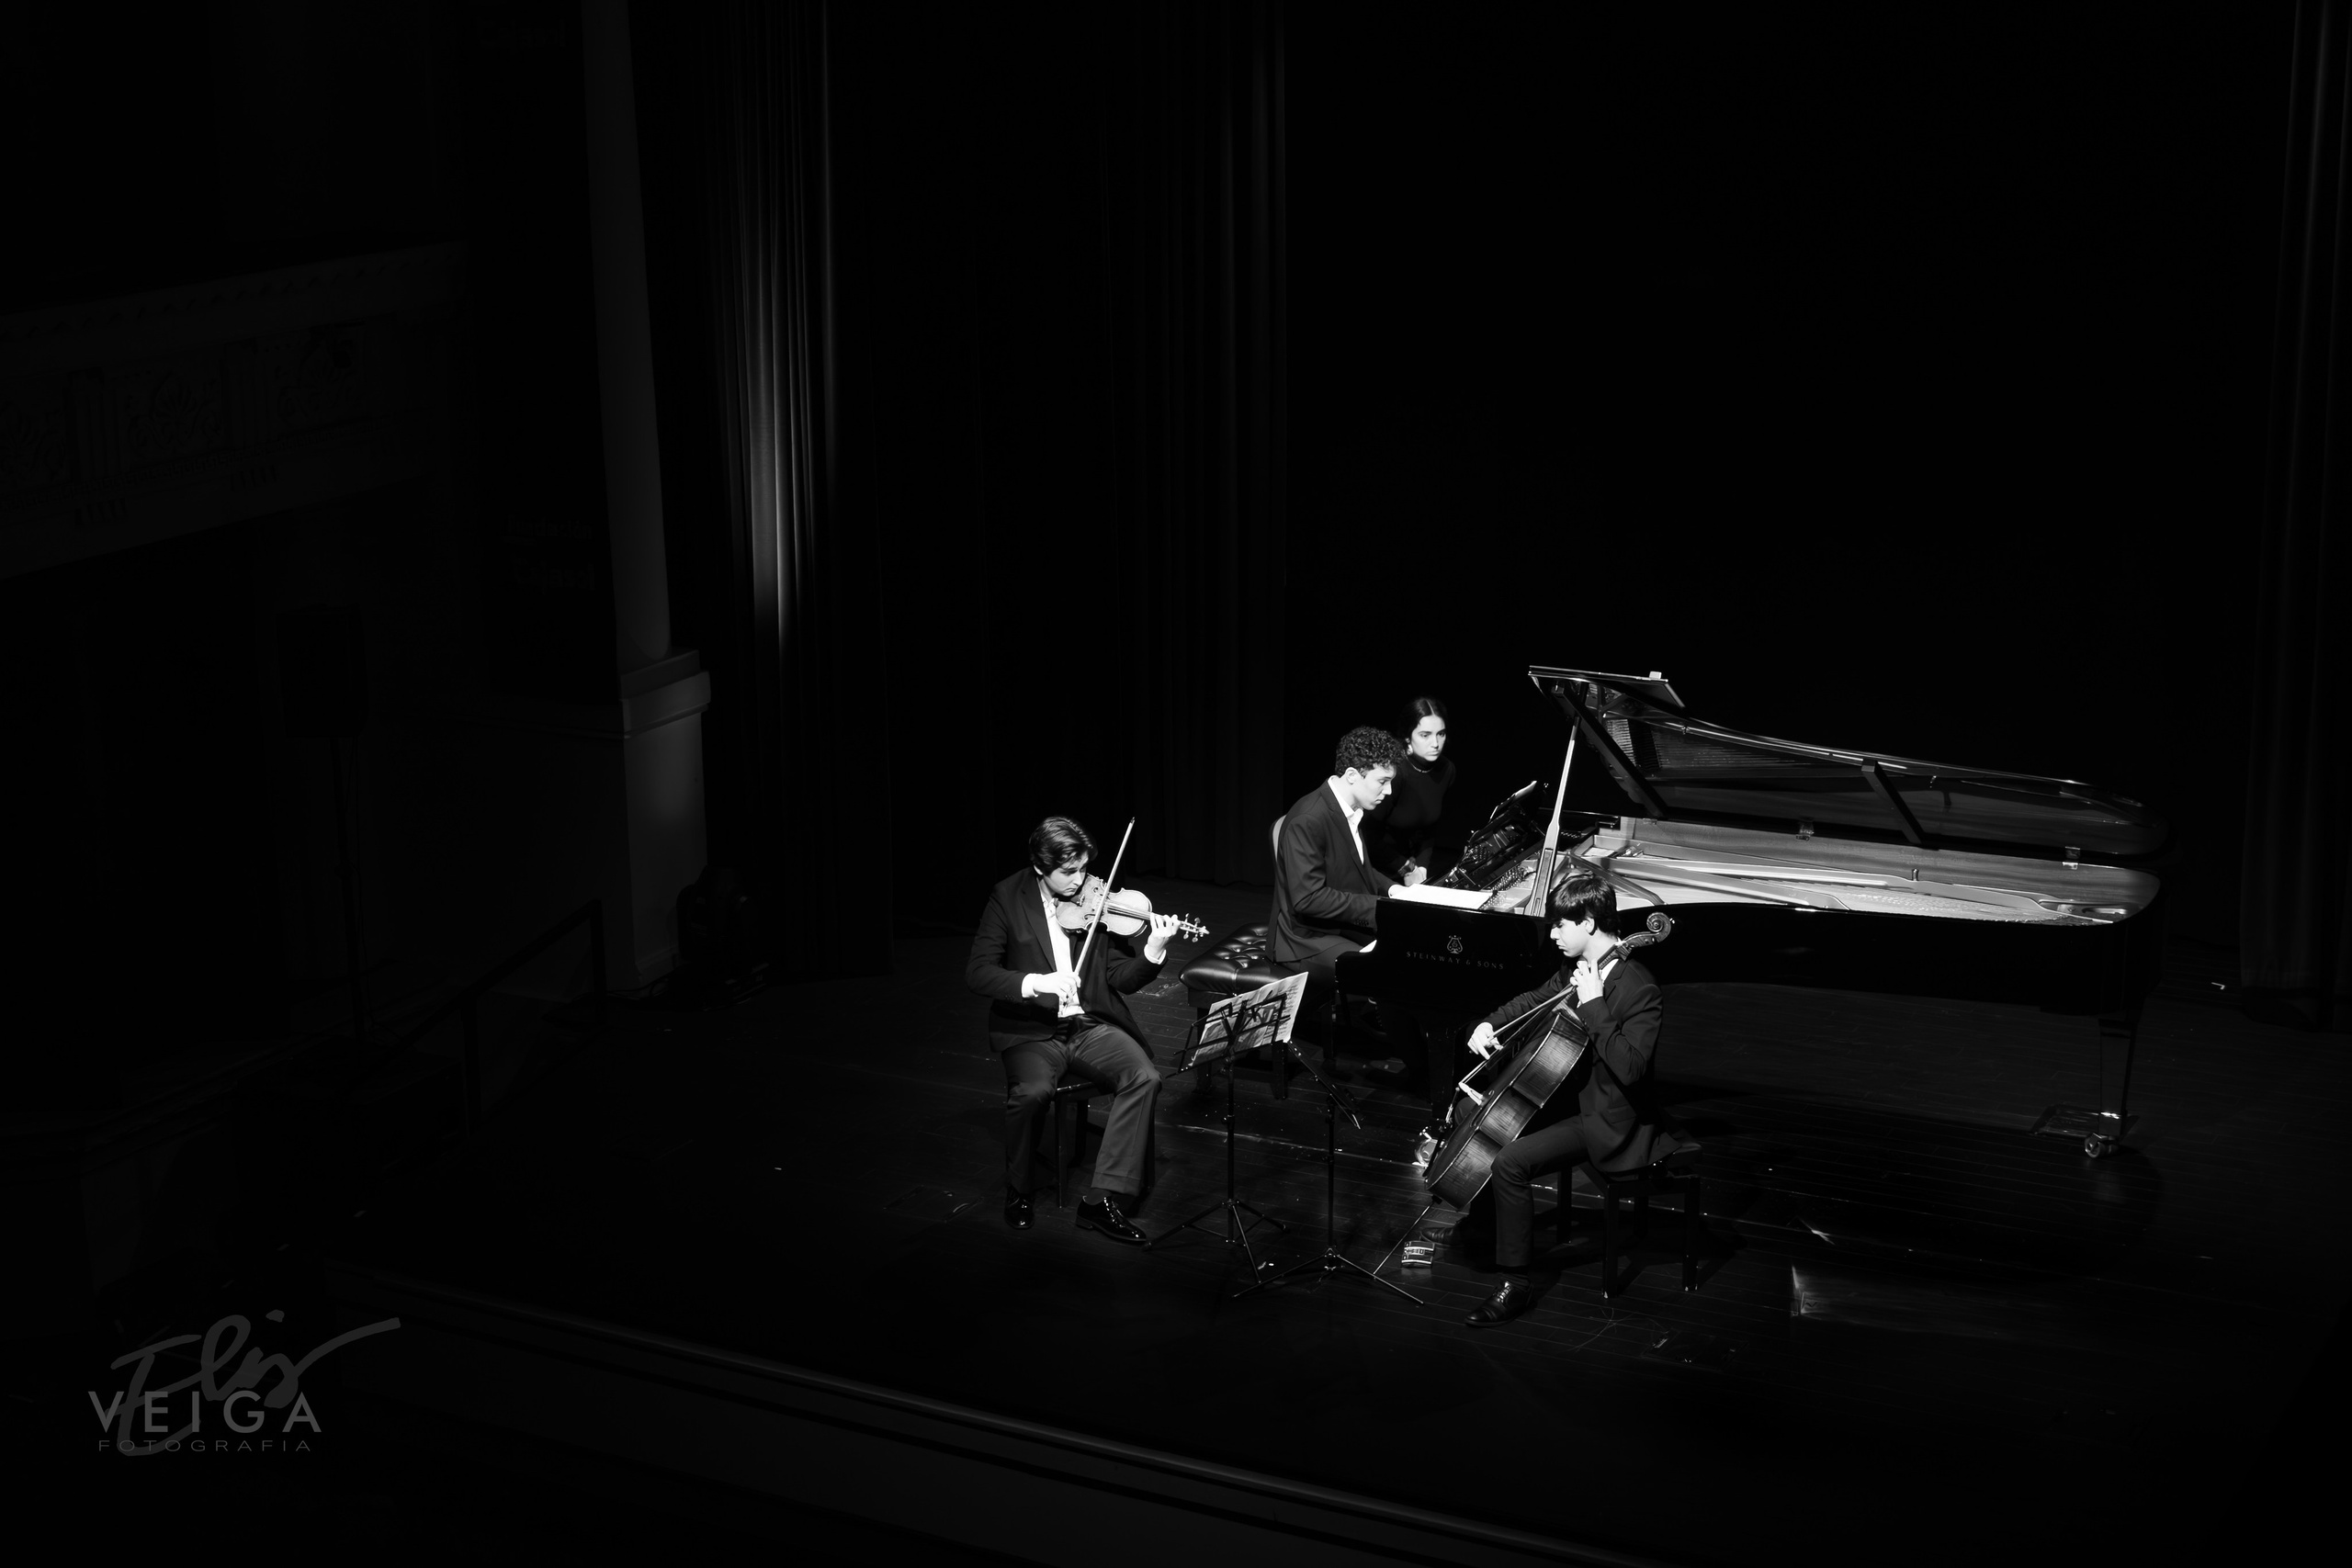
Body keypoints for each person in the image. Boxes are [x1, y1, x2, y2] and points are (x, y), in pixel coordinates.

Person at [1459, 871, 1672, 1328]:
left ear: (1589, 922)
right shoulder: (1572, 971)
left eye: (1560, 924)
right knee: (1476, 1114)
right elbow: (1531, 1001)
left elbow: (1632, 1069)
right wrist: (1488, 1023)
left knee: (1510, 1161)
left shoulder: (1639, 988)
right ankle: (1481, 1228)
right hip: (1570, 1099)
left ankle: (1515, 1283)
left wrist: (1594, 1004)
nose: (1553, 934)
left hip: (1610, 1118)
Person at [967, 817, 1181, 1243]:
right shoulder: (1008, 897)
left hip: (1088, 1024)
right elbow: (978, 973)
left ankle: (1101, 1200)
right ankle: (1019, 1188)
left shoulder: (1096, 900)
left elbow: (1119, 977)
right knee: (1032, 1094)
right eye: (1068, 872)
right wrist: (1036, 983)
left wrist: (1152, 954)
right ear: (1040, 867)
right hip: (1032, 1028)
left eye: (1084, 868)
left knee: (1144, 1077)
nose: (1080, 881)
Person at [1271, 727, 1449, 1151]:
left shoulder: (1349, 810)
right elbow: (1308, 899)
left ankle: (1429, 1062)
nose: (1388, 792)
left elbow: (1360, 871)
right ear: (1352, 775)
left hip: (1335, 927)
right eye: (1382, 782)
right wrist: (1381, 909)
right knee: (1388, 971)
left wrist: (1397, 891)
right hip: (1303, 938)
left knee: (1412, 955)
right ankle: (1428, 1078)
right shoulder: (1309, 817)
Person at [1363, 696, 1455, 884]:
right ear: (1407, 737)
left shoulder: (1446, 770)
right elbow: (1367, 836)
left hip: (1413, 865)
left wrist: (1421, 868)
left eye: (1441, 734)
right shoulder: (1394, 772)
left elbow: (1430, 828)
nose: (1435, 743)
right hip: (1375, 868)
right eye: (1425, 735)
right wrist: (1406, 868)